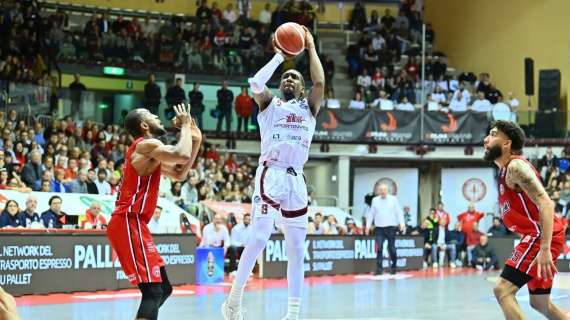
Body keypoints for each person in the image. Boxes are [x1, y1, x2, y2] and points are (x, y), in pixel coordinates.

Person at [222, 26, 324, 320]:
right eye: (286, 77)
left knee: (296, 248)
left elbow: (319, 81)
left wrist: (312, 47)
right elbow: (255, 81)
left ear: (302, 89)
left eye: (295, 77)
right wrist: (280, 57)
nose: (289, 79)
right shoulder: (270, 104)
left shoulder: (309, 108)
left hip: (296, 179)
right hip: (271, 173)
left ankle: (292, 314)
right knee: (259, 238)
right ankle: (234, 301)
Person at [106, 104, 202, 320]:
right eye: (152, 115)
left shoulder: (151, 152)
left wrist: (196, 140)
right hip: (127, 222)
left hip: (135, 224)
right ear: (144, 125)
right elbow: (180, 153)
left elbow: (179, 172)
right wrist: (185, 126)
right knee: (153, 291)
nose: (158, 116)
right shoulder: (145, 144)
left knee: (163, 288)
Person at [484, 120, 567, 319]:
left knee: (502, 290)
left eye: (493, 134)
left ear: (507, 144)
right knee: (539, 302)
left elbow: (546, 203)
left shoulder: (516, 167)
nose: (486, 139)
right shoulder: (504, 171)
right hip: (540, 234)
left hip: (540, 235)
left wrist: (545, 249)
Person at [365, 183, 405, 275]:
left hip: (391, 227)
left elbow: (399, 212)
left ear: (387, 190)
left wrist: (402, 224)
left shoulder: (393, 199)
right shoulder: (375, 200)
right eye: (381, 190)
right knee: (379, 247)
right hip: (379, 228)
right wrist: (367, 226)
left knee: (391, 249)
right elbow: (371, 214)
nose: (383, 191)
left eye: (384, 189)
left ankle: (394, 266)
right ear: (378, 191)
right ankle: (379, 269)